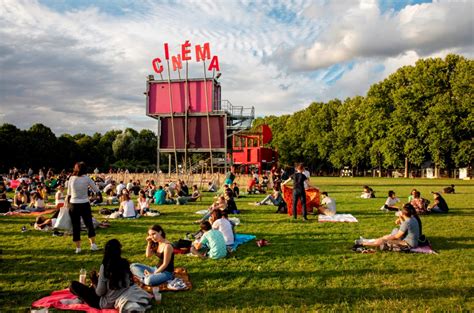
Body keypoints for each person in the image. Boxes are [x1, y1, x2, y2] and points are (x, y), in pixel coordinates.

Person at [70, 239, 151, 311]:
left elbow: (100, 293)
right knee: (90, 288)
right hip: (121, 295)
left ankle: (81, 299)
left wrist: (95, 283)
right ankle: (82, 298)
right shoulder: (124, 263)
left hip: (106, 303)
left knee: (73, 286)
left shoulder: (105, 267)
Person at [68, 161, 101, 253]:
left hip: (73, 204)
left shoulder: (71, 178)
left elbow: (69, 193)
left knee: (76, 226)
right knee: (89, 224)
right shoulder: (87, 178)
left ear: (76, 168)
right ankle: (93, 245)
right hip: (84, 203)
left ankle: (78, 248)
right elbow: (96, 189)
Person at [355, 203, 420, 250]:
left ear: (403, 214)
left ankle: (363, 244)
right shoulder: (412, 218)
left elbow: (396, 236)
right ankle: (366, 242)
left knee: (384, 241)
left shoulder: (407, 222)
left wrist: (385, 238)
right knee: (388, 236)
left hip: (408, 244)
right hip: (412, 242)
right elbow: (404, 228)